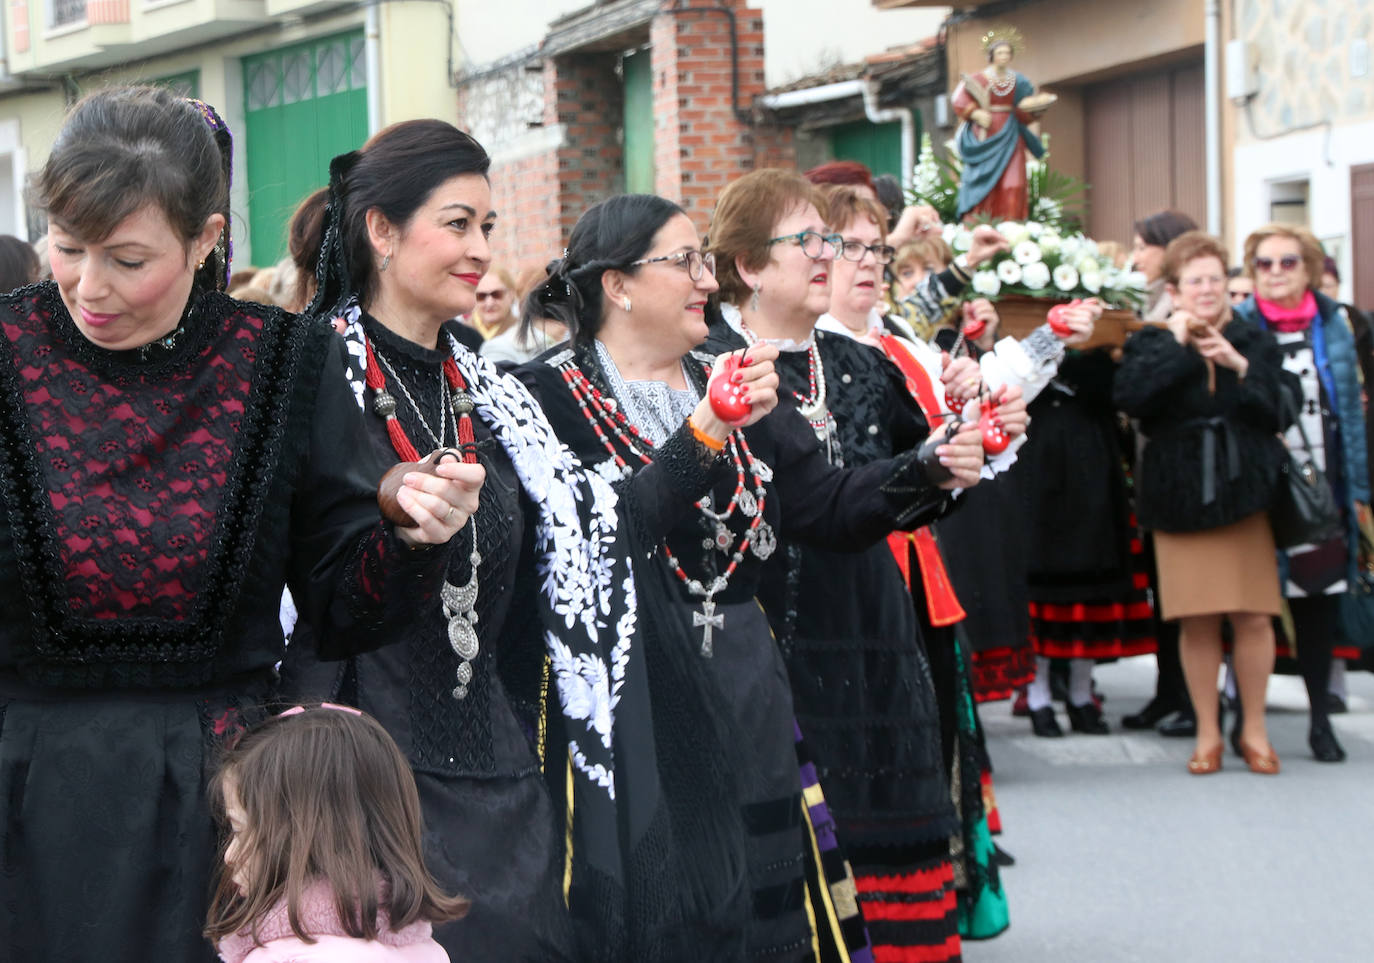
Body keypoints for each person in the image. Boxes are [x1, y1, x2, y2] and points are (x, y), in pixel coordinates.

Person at [0, 86, 474, 962]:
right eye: (68, 249)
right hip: (26, 809)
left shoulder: (284, 362)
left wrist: (409, 532)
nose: (89, 287)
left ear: (207, 238)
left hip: (229, 826)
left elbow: (341, 607)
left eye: (127, 258)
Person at [289, 120, 752, 962]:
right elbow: (308, 587)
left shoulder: (495, 394)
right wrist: (398, 523)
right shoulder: (308, 374)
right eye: (458, 223)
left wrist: (710, 423)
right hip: (364, 778)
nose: (481, 249)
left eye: (488, 227)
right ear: (382, 232)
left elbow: (609, 527)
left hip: (504, 771)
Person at [519, 190, 1003, 960]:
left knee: (763, 910)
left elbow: (828, 504)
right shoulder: (546, 398)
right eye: (684, 262)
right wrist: (705, 430)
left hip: (747, 682)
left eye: (705, 261)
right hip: (632, 700)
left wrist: (931, 464)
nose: (707, 280)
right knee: (670, 911)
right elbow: (597, 541)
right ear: (617, 284)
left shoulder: (736, 372)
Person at [704, 167, 993, 963]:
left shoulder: (861, 361)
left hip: (873, 620)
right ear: (750, 266)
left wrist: (960, 456)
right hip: (776, 631)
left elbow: (920, 487)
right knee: (797, 848)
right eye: (810, 240)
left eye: (832, 239)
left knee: (889, 828)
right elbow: (823, 501)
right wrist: (927, 470)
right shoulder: (719, 366)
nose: (829, 254)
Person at [1115, 231, 1287, 774]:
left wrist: (1238, 363)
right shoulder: (1152, 340)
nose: (1207, 289)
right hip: (1179, 495)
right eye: (1196, 281)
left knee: (1255, 618)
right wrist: (1178, 345)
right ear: (1176, 289)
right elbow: (1131, 400)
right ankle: (1208, 733)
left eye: (1215, 278)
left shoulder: (1257, 340)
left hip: (1245, 494)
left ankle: (1254, 731)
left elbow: (1282, 408)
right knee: (1197, 620)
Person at [1233, 223, 1370, 763]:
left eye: (1287, 263)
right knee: (1254, 610)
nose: (1274, 274)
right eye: (1264, 264)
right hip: (1258, 486)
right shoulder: (1240, 325)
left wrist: (1356, 489)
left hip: (1319, 488)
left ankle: (1319, 721)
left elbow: (1352, 417)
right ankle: (1251, 723)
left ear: (1310, 269)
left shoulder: (1335, 325)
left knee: (1316, 606)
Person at [206, 705, 469, 962]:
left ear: (306, 838)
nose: (229, 855)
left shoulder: (281, 957)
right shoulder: (426, 952)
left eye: (239, 832)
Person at [1121, 207, 1202, 739]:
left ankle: (1193, 696)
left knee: (1190, 594)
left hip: (1185, 468)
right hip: (1147, 465)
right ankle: (1168, 689)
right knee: (1162, 588)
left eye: (1144, 246)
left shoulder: (1173, 313)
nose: (1137, 257)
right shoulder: (1142, 305)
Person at [950, 28, 1053, 222]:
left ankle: (1012, 227)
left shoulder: (1019, 81)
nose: (1004, 57)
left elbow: (1024, 109)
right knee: (983, 183)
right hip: (986, 135)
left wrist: (1036, 109)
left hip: (1011, 135)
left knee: (1013, 184)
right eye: (1000, 53)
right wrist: (975, 112)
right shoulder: (979, 79)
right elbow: (959, 99)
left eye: (1007, 53)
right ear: (991, 56)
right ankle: (979, 223)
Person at [1131, 210, 1200, 323]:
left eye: (1142, 248)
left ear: (1171, 248)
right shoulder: (1142, 297)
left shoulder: (1195, 302)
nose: (1135, 259)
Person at [469, 265, 517, 340]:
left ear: (511, 294)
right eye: (481, 296)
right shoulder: (458, 334)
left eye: (496, 294)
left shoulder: (523, 333)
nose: (489, 303)